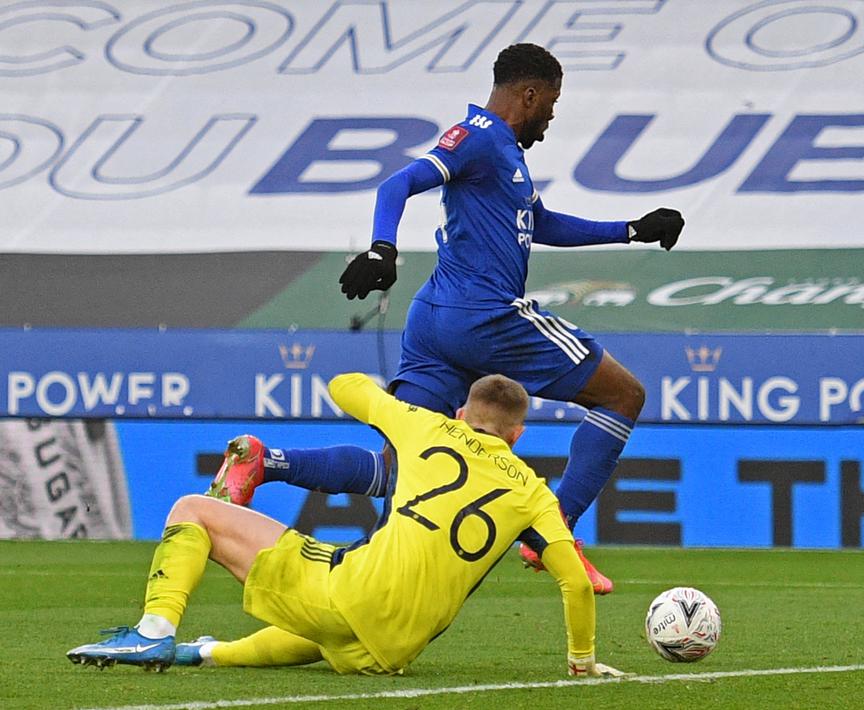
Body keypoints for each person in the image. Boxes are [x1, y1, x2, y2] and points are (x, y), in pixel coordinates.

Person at [205, 43, 684, 595]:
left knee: (396, 471)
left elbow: (542, 222)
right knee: (623, 396)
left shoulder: (504, 153)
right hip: (484, 316)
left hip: (434, 321)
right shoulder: (479, 138)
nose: (551, 118)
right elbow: (397, 184)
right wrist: (382, 249)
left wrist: (630, 230)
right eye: (551, 105)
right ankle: (553, 534)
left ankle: (264, 461)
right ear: (530, 95)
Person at [68, 373, 623, 678]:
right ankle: (203, 652)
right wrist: (581, 661)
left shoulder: (427, 427)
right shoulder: (534, 491)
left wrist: (396, 405)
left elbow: (344, 385)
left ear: (461, 415)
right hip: (392, 649)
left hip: (351, 592)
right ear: (518, 436)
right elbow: (575, 583)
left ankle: (153, 633)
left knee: (192, 509)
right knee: (322, 634)